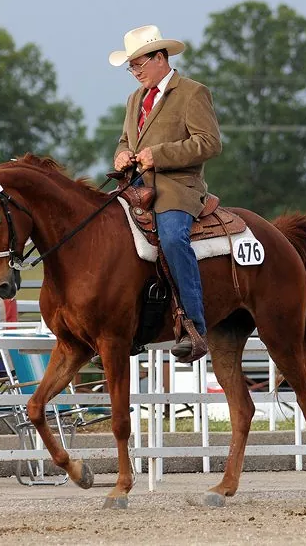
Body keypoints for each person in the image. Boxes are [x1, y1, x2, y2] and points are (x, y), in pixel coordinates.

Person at [109, 25, 222, 359]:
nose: (134, 72)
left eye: (139, 64)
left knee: (173, 239)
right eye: (131, 66)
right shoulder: (134, 100)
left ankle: (194, 325)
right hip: (135, 187)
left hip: (177, 189)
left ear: (160, 58)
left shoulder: (192, 92)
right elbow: (127, 139)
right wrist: (121, 153)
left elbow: (209, 142)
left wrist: (158, 155)